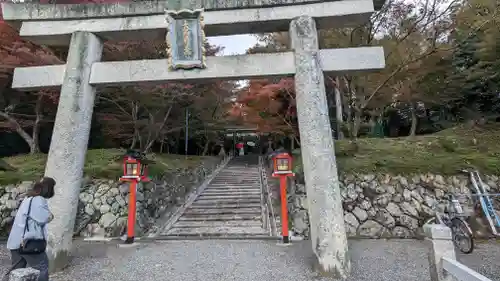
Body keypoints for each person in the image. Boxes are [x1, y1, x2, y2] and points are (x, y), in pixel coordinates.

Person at [5, 177, 55, 281]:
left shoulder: (28, 199)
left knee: (15, 272)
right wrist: (51, 215)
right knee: (42, 267)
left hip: (16, 242)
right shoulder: (39, 200)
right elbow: (43, 218)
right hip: (29, 242)